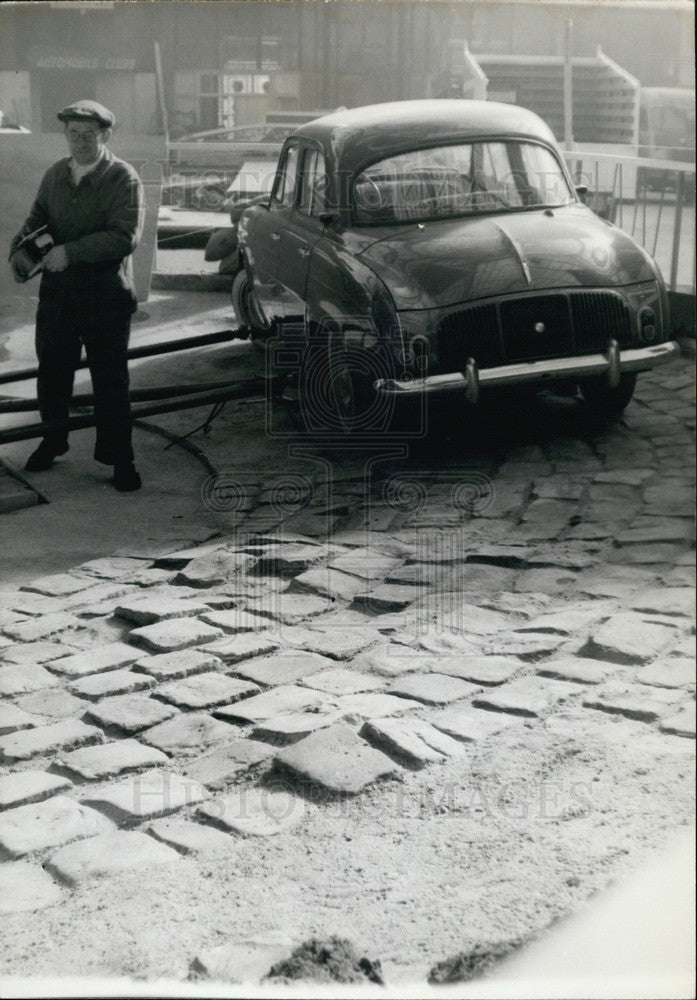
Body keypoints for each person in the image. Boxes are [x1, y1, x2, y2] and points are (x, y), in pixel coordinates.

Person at [9, 100, 145, 491]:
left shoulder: (123, 177)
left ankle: (120, 460)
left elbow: (124, 237)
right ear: (65, 134)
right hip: (58, 298)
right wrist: (20, 254)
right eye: (74, 134)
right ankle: (54, 439)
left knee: (110, 382)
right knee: (51, 376)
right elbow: (35, 221)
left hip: (105, 298)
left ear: (105, 135)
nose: (81, 141)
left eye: (90, 134)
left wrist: (69, 252)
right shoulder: (56, 174)